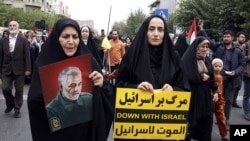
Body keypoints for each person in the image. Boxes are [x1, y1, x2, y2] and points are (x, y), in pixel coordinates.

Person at [27, 18, 114, 141]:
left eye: (75, 37)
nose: (71, 42)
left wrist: (102, 84)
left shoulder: (89, 61)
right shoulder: (43, 62)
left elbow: (107, 94)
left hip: (84, 133)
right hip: (56, 135)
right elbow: (33, 101)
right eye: (66, 36)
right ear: (57, 37)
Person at [115, 15, 190, 141]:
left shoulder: (174, 57)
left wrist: (174, 90)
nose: (156, 34)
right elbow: (118, 87)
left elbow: (185, 87)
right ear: (145, 31)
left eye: (160, 30)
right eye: (151, 29)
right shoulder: (132, 56)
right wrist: (135, 88)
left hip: (165, 130)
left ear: (165, 33)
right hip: (136, 130)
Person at [182, 36, 219, 141]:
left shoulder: (207, 59)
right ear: (196, 47)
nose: (205, 49)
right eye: (202, 46)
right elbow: (184, 76)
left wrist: (215, 91)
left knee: (207, 121)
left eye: (207, 46)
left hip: (206, 96)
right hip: (192, 97)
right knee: (191, 124)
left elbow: (212, 77)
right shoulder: (187, 60)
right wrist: (200, 77)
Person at [215, 30, 245, 130]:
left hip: (232, 80)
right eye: (224, 36)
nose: (226, 38)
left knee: (228, 101)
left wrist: (236, 72)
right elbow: (214, 61)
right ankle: (219, 117)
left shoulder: (238, 51)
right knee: (219, 100)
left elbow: (242, 65)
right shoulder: (220, 49)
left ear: (232, 38)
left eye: (228, 36)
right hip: (220, 79)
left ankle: (225, 120)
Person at [46, 66, 93, 132]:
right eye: (72, 85)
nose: (77, 89)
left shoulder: (89, 100)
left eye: (79, 84)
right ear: (61, 87)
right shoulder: (51, 111)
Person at [0, 20, 31, 118]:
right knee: (5, 88)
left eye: (14, 25)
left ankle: (17, 109)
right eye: (10, 25)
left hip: (20, 69)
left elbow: (27, 55)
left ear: (17, 27)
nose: (12, 27)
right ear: (8, 27)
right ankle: (11, 104)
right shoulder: (3, 40)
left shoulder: (23, 40)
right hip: (6, 68)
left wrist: (28, 69)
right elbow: (1, 56)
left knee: (19, 90)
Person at [212, 58, 229, 141]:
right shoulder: (211, 76)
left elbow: (221, 90)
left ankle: (224, 134)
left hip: (219, 101)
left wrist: (222, 100)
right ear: (213, 67)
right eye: (216, 66)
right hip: (211, 100)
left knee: (222, 118)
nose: (218, 68)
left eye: (219, 66)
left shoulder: (221, 77)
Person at [231, 31, 247, 108]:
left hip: (241, 70)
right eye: (241, 37)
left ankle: (234, 101)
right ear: (237, 38)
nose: (243, 39)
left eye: (244, 37)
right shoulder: (233, 45)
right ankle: (229, 102)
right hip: (232, 69)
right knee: (231, 87)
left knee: (238, 86)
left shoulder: (245, 46)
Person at [240, 39, 250, 121]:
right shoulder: (245, 46)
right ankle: (247, 112)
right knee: (247, 94)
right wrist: (248, 57)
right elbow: (241, 58)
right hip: (248, 74)